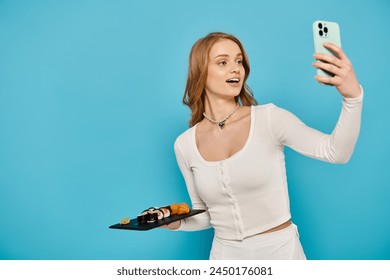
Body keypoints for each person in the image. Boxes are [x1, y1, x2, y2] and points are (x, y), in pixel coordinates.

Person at [163, 32, 363, 260]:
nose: (236, 68)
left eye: (239, 61)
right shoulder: (184, 144)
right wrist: (171, 223)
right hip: (224, 259)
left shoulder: (269, 119)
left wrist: (353, 98)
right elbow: (206, 216)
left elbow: (336, 152)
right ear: (200, 72)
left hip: (281, 254)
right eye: (223, 62)